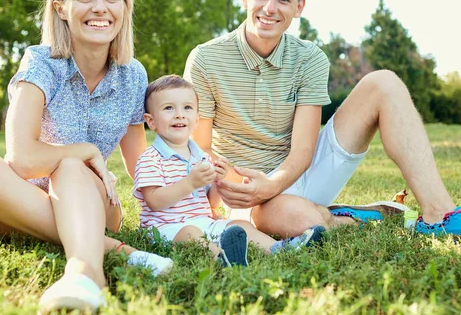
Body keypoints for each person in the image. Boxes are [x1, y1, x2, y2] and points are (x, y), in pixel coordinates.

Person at [183, 0, 461, 239]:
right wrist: (238, 190)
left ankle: (440, 215)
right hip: (245, 190)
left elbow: (303, 149)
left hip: (301, 171)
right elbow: (202, 148)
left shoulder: (310, 57)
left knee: (384, 82)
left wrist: (273, 184)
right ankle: (348, 216)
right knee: (305, 222)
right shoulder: (206, 59)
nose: (270, 8)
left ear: (299, 7)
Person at [0, 0, 173, 315]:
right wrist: (83, 149)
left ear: (124, 8)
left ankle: (85, 273)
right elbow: (21, 160)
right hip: (12, 202)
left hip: (95, 202)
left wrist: (189, 192)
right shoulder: (41, 63)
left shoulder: (133, 75)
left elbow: (140, 165)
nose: (100, 8)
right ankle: (119, 252)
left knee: (69, 166)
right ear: (61, 7)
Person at [133, 75, 326, 267]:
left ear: (197, 118)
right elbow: (154, 201)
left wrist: (218, 182)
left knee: (239, 226)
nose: (179, 114)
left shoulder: (200, 157)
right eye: (168, 108)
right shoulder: (151, 158)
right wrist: (189, 183)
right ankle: (221, 259)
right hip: (165, 228)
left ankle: (280, 249)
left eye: (187, 108)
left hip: (203, 221)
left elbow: (211, 203)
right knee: (191, 234)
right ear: (151, 121)